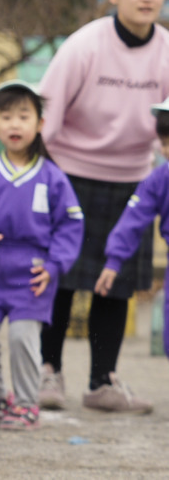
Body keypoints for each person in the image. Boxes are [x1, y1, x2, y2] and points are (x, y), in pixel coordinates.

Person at [37, 0, 169, 413]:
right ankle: (48, 371)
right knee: (62, 277)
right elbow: (47, 114)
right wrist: (40, 175)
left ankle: (102, 381)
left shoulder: (166, 49)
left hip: (134, 178)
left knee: (116, 285)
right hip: (69, 172)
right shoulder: (84, 45)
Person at [0, 81, 84, 431]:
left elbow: (71, 224)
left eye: (23, 116)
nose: (15, 124)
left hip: (33, 276)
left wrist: (55, 265)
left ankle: (26, 404)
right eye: (6, 116)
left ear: (40, 124)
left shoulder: (52, 177)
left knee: (22, 338)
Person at [94, 95, 169, 398]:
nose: (167, 150)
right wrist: (114, 261)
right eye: (164, 143)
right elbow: (132, 220)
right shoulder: (159, 178)